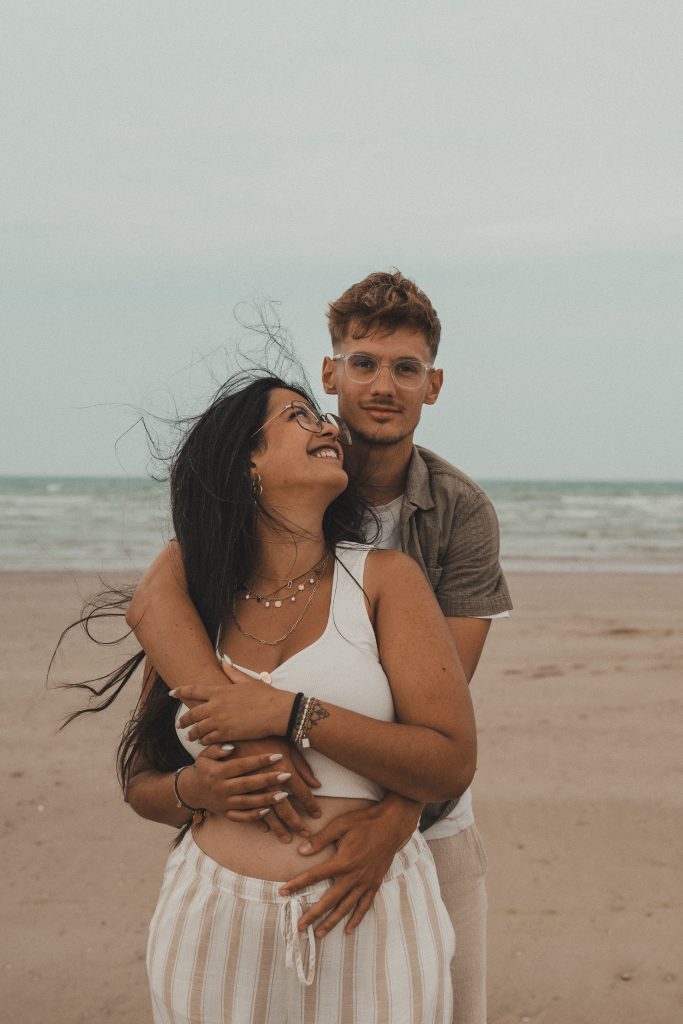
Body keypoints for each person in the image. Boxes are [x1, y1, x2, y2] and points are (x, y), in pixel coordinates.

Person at [128, 271, 512, 1024]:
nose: (382, 385)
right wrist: (228, 741)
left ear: (431, 386)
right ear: (332, 372)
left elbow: (436, 727)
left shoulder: (454, 515)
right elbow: (154, 602)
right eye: (363, 364)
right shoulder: (227, 552)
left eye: (405, 369)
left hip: (420, 830)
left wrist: (394, 820)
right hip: (223, 900)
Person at [63, 371, 477, 1023]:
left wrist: (291, 714)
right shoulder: (198, 601)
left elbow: (451, 761)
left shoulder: (382, 581)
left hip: (369, 919)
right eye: (297, 416)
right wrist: (195, 790)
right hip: (209, 922)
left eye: (322, 414)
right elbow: (142, 781)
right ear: (246, 460)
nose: (327, 424)